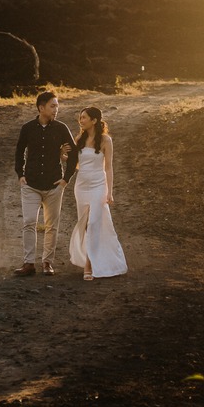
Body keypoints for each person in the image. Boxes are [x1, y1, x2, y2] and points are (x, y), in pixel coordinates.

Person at [13, 90, 77, 276]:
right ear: (41, 108)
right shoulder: (27, 128)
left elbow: (73, 154)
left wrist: (66, 179)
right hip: (30, 184)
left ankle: (47, 262)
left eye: (57, 105)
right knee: (29, 222)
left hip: (54, 185)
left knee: (52, 226)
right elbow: (19, 152)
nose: (56, 109)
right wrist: (20, 174)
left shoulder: (61, 128)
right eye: (53, 106)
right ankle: (28, 263)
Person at [68, 106, 127, 280]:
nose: (81, 120)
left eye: (84, 117)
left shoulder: (106, 140)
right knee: (86, 224)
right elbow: (80, 164)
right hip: (81, 186)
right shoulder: (80, 138)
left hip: (98, 185)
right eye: (81, 117)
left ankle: (89, 265)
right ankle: (92, 257)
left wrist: (109, 192)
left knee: (94, 223)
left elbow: (108, 167)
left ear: (94, 120)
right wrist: (64, 157)